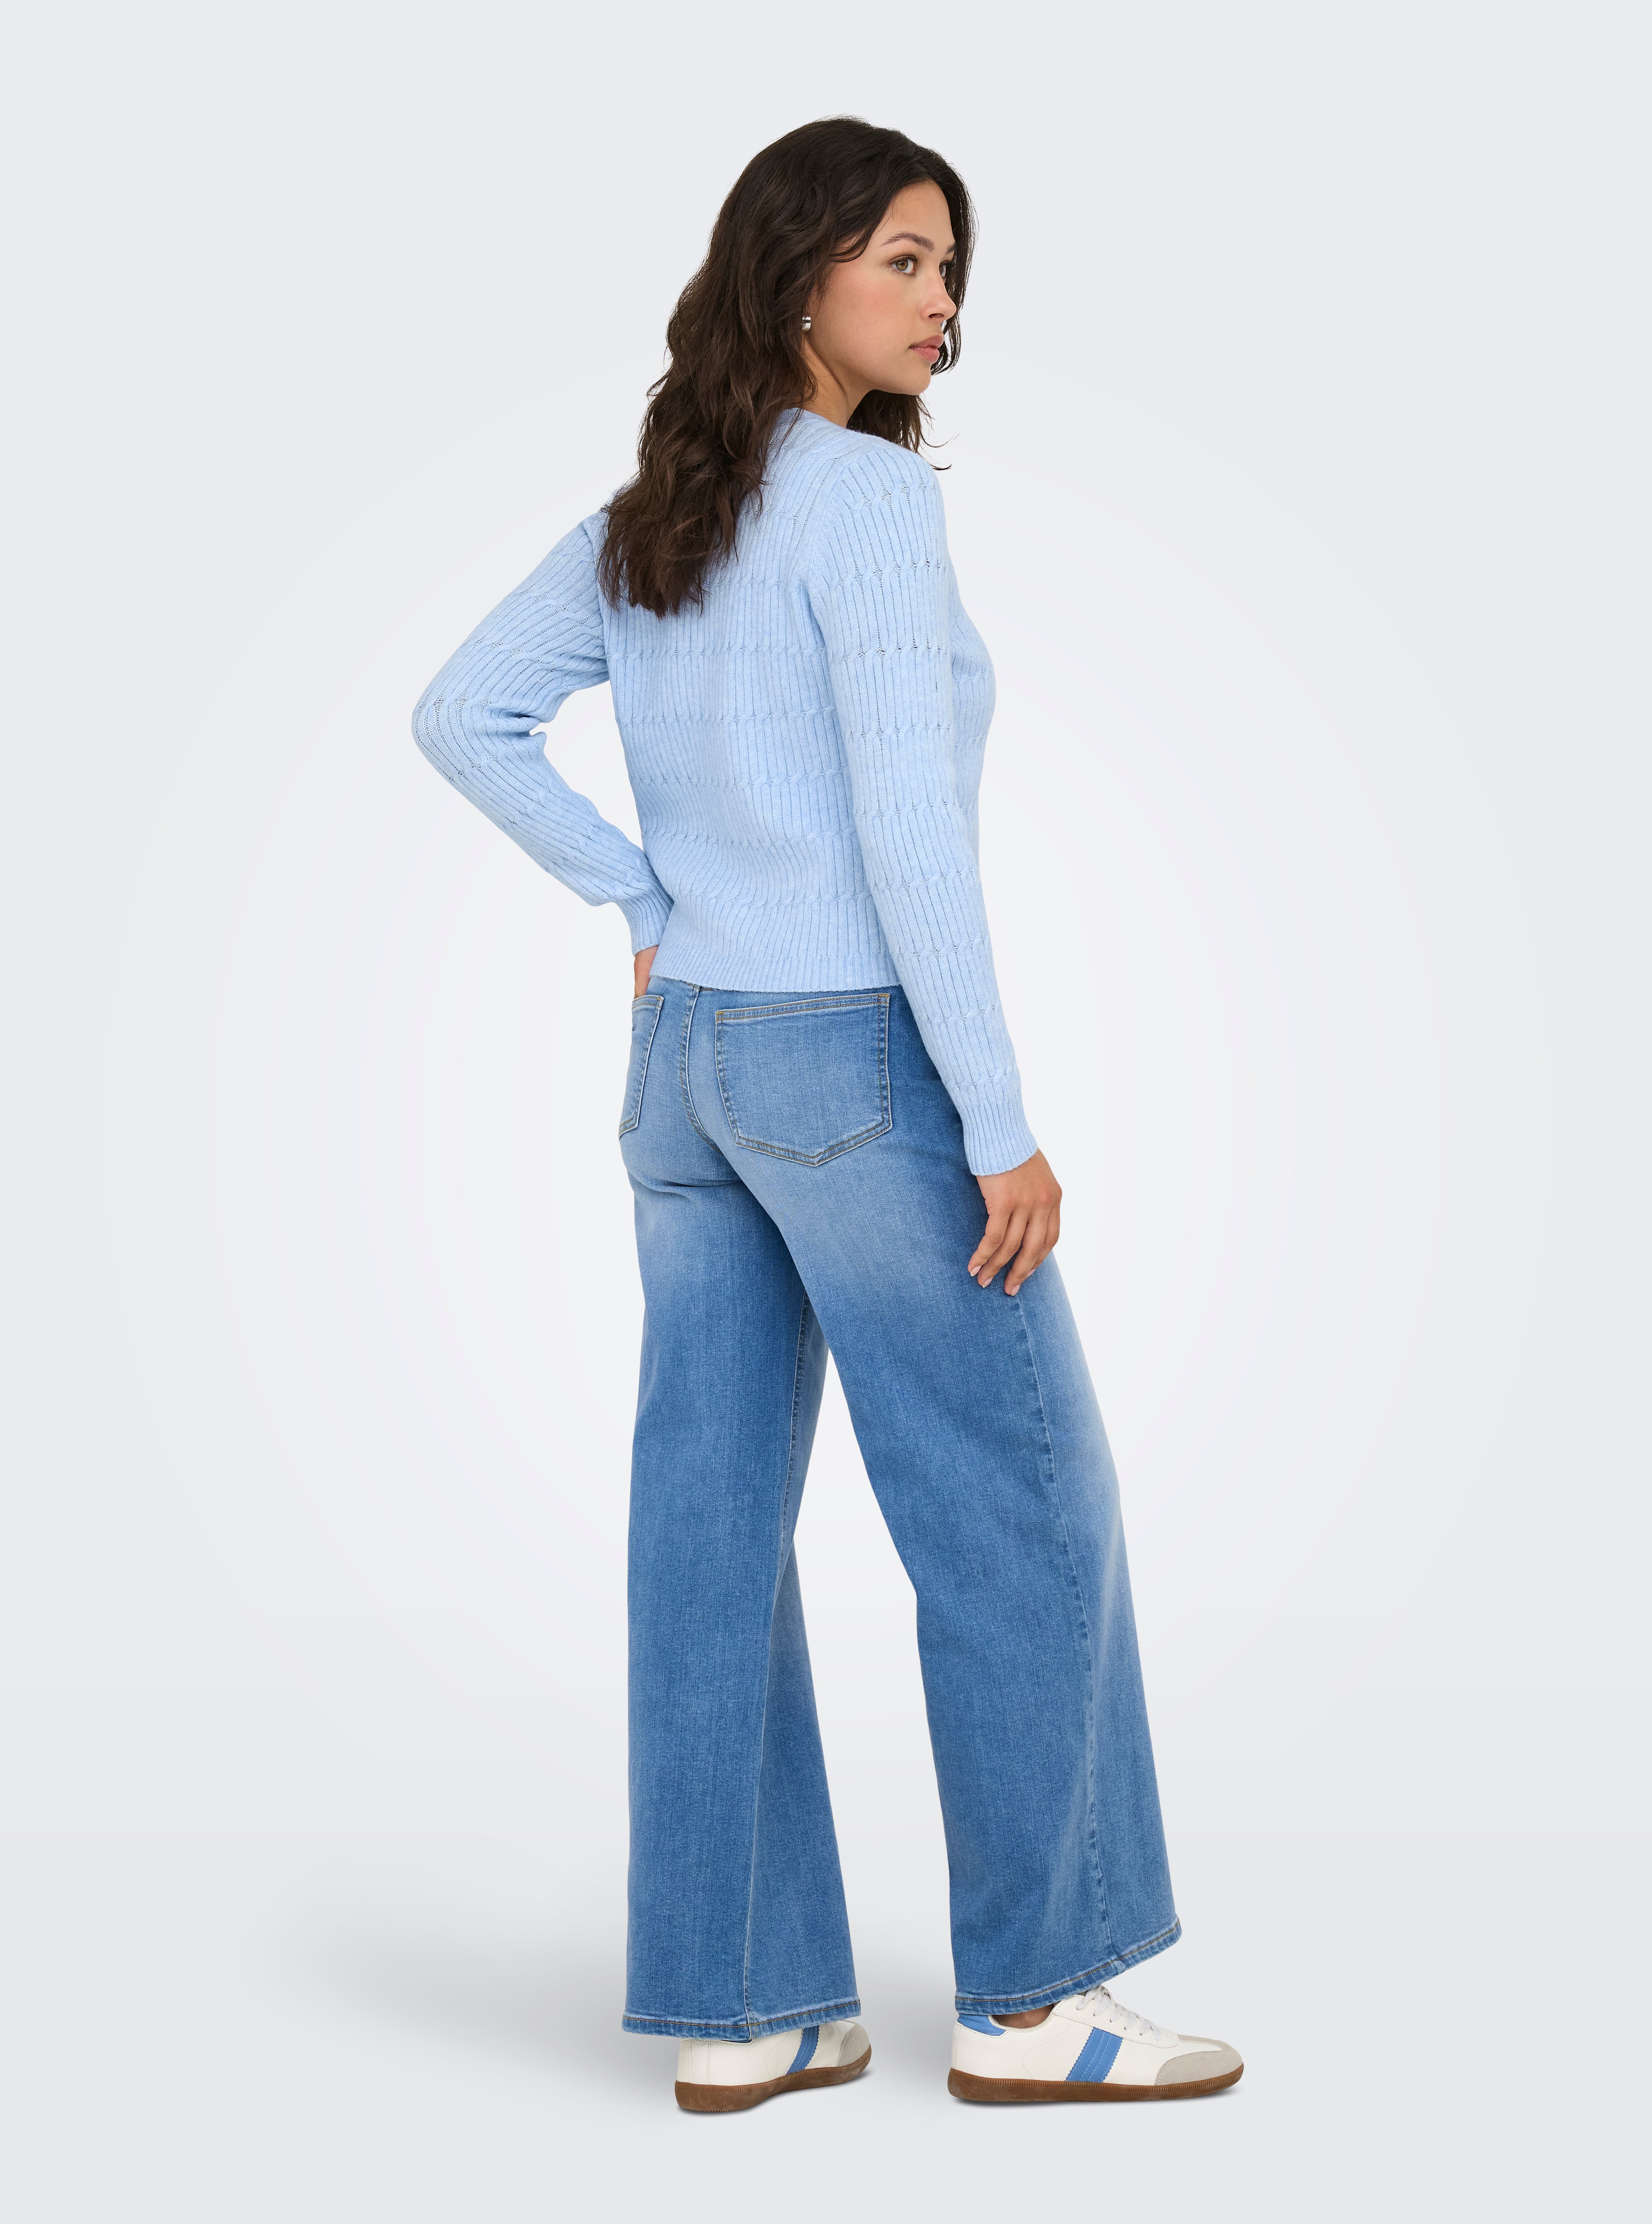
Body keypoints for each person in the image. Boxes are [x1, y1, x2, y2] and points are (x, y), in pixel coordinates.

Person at [411, 115, 1241, 2113]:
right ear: (798, 277)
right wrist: (998, 1121)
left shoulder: (655, 514)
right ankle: (1037, 2002)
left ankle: (751, 2001)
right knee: (1019, 1505)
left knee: (703, 1525)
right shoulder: (864, 505)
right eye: (903, 261)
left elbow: (462, 712)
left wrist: (644, 906)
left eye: (953, 269)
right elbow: (905, 836)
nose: (941, 303)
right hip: (854, 1061)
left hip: (690, 1068)